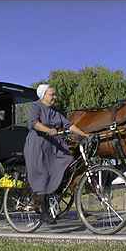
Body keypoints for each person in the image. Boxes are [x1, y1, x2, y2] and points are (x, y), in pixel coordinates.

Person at [24, 84, 89, 224]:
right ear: (43, 95)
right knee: (43, 175)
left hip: (53, 145)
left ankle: (58, 187)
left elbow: (69, 125)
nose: (55, 97)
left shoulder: (54, 111)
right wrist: (48, 130)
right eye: (52, 94)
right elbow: (34, 123)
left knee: (68, 159)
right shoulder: (36, 106)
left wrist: (85, 135)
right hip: (38, 145)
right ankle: (44, 211)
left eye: (54, 94)